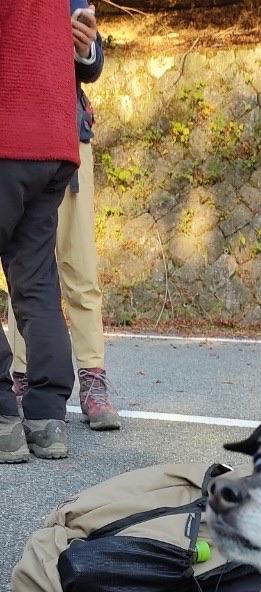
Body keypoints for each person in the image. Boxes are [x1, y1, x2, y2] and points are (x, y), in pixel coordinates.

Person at [8, 2, 121, 432]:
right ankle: (22, 374)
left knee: (79, 261)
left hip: (68, 136)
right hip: (17, 137)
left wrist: (85, 48)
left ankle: (93, 378)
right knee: (22, 266)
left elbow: (92, 67)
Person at [0, 0, 79, 462]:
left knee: (35, 281)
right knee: (36, 282)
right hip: (54, 143)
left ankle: (4, 421)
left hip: (8, 136)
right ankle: (48, 420)